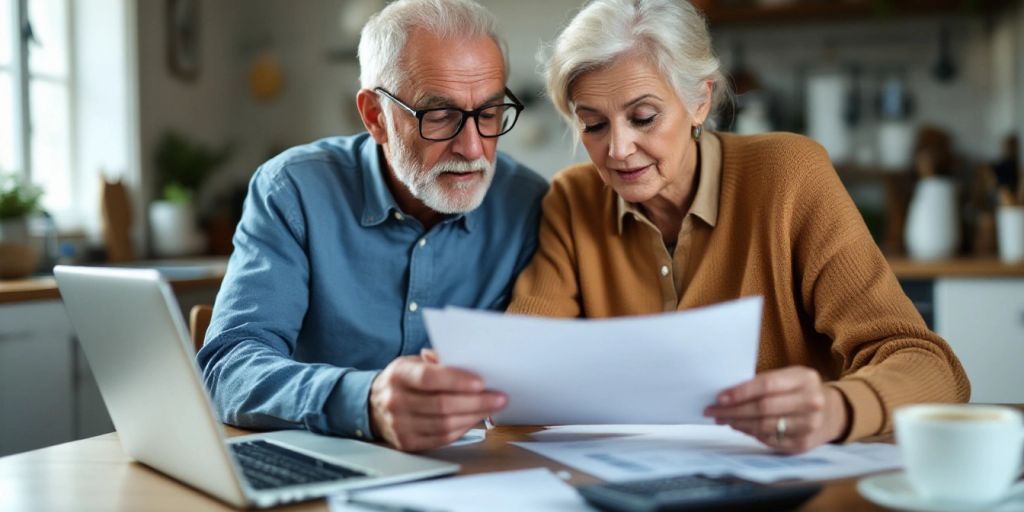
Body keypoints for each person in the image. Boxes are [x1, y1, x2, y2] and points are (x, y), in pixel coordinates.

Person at [507, 0, 969, 454]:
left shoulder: (789, 174)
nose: (618, 149)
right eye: (593, 124)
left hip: (785, 477)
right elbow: (524, 362)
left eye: (643, 118)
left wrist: (838, 407)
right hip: (633, 480)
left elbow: (929, 364)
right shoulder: (573, 198)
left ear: (700, 101)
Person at [198, 0, 547, 452]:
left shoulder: (528, 205)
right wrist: (364, 401)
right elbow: (228, 370)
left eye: (489, 113)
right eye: (439, 115)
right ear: (375, 117)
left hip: (476, 473)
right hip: (322, 463)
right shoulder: (293, 191)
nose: (472, 147)